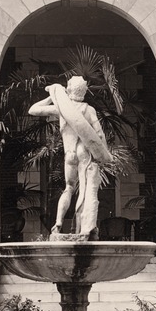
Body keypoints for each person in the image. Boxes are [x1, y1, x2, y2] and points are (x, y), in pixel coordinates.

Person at [29, 76, 112, 238]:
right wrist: (105, 153)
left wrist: (52, 96)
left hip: (70, 155)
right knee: (88, 190)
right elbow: (99, 134)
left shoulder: (62, 109)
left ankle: (58, 224)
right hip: (84, 153)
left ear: (69, 90)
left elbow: (33, 109)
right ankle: (84, 228)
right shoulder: (89, 110)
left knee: (69, 188)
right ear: (84, 91)